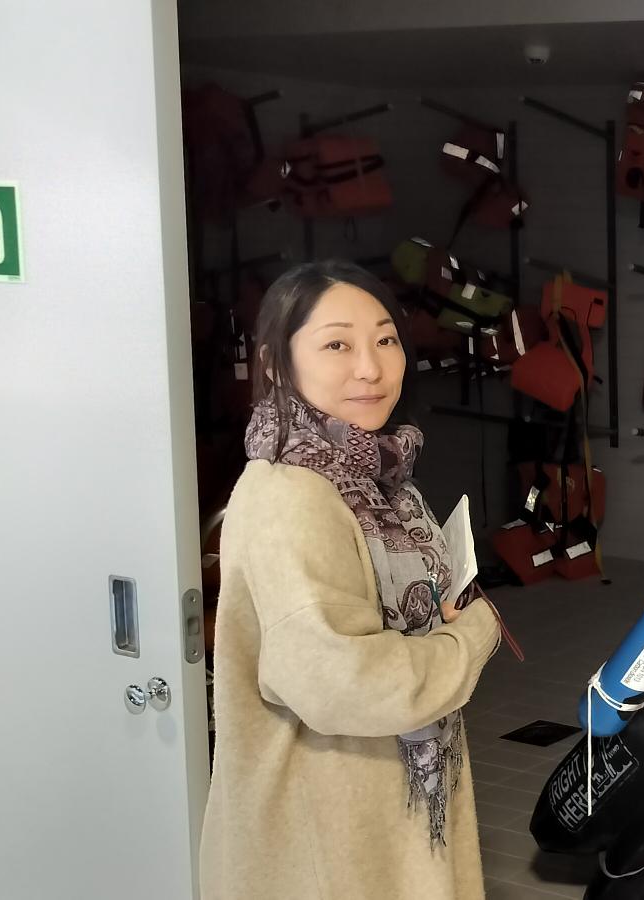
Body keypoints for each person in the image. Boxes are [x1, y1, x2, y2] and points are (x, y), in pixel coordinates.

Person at [200, 261, 505, 900]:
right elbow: (341, 681)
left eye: (385, 339)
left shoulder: (377, 477)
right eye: (337, 344)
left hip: (383, 825)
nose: (369, 367)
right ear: (277, 364)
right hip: (325, 848)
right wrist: (469, 640)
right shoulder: (292, 497)